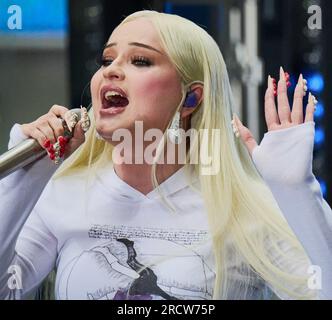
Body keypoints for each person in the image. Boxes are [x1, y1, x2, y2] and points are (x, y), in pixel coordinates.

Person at [0, 10, 332, 300]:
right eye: (107, 60)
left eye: (140, 60)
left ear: (191, 99)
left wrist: (297, 193)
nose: (110, 71)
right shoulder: (63, 193)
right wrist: (25, 176)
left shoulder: (243, 207)